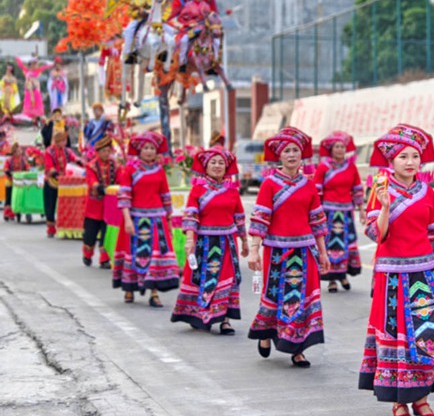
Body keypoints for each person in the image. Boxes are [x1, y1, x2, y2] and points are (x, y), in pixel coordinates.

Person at [358, 124, 434, 416]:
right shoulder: (381, 191)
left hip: (423, 274)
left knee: (427, 333)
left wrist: (427, 261)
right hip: (391, 275)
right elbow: (377, 234)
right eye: (403, 157)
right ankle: (399, 401)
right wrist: (385, 207)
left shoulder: (427, 192)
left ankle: (422, 399)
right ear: (391, 162)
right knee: (396, 333)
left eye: (415, 156)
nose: (410, 162)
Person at [247, 127, 330, 367]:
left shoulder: (309, 185)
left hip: (305, 251)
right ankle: (265, 333)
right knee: (275, 296)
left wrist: (323, 253)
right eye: (287, 151)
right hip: (276, 252)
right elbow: (260, 218)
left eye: (295, 150)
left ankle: (298, 349)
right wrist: (254, 249)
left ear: (301, 155)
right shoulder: (269, 184)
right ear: (279, 156)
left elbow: (317, 221)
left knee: (302, 298)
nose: (292, 155)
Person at [172, 147, 248, 334]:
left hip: (227, 243)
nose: (217, 166)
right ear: (205, 167)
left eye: (221, 162)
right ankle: (198, 314)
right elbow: (191, 215)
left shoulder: (232, 191)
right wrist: (189, 240)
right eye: (213, 162)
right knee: (201, 278)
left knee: (228, 280)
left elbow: (239, 217)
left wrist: (245, 241)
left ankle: (225, 320)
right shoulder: (198, 190)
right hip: (203, 243)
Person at [112, 132, 180, 306]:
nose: (149, 151)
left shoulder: (159, 171)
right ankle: (129, 288)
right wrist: (127, 219)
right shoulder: (130, 169)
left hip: (157, 220)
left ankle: (154, 292)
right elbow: (124, 196)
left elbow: (165, 196)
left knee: (155, 256)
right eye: (146, 148)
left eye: (152, 148)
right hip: (135, 218)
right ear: (139, 151)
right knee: (135, 253)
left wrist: (169, 222)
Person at [313, 131, 365, 293]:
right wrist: (316, 211)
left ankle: (343, 276)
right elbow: (316, 190)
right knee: (330, 245)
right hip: (328, 213)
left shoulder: (351, 167)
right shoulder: (324, 167)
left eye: (342, 147)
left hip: (346, 214)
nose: (340, 150)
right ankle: (332, 280)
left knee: (347, 245)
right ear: (331, 149)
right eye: (337, 147)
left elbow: (357, 189)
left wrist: (362, 210)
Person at [82, 137, 119, 268]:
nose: (106, 153)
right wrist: (98, 187)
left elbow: (120, 178)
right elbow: (91, 181)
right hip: (94, 205)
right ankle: (87, 253)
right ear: (98, 152)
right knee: (91, 233)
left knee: (106, 231)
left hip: (109, 205)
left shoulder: (115, 164)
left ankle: (104, 258)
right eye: (103, 151)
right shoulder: (91, 165)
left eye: (108, 151)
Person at [176, 0, 220, 73]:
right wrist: (189, 23)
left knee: (216, 41)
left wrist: (210, 21)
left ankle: (214, 62)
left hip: (204, 29)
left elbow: (209, 19)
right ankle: (182, 62)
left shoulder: (206, 6)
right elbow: (181, 18)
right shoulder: (188, 5)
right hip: (192, 30)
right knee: (184, 40)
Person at [43, 128, 81, 238]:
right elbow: (49, 166)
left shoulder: (67, 151)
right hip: (52, 181)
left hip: (65, 183)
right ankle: (50, 227)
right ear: (57, 141)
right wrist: (56, 175)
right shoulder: (49, 151)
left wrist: (81, 163)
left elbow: (75, 158)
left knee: (65, 205)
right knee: (50, 206)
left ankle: (65, 227)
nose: (64, 143)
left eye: (65, 140)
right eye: (62, 141)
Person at [4, 142, 29, 222]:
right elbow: (6, 168)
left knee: (18, 198)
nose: (19, 152)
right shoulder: (9, 160)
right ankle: (8, 213)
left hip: (19, 182)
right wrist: (9, 172)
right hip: (10, 181)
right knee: (9, 198)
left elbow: (27, 167)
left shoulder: (23, 160)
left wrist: (27, 171)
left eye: (20, 151)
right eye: (17, 151)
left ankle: (17, 213)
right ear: (14, 152)